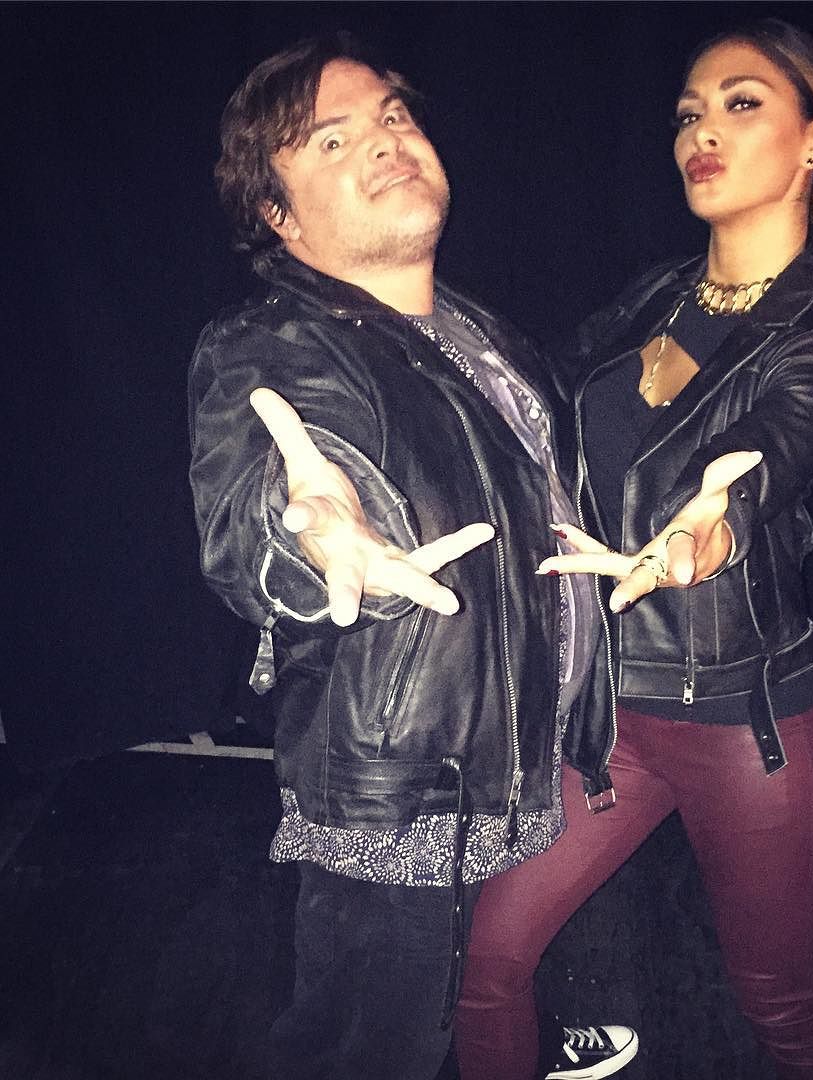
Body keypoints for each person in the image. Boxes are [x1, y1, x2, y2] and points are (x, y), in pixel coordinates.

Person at [187, 32, 638, 1080]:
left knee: (472, 981)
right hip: (405, 790)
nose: (385, 141)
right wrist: (313, 530)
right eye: (331, 138)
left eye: (392, 115)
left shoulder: (483, 336)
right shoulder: (272, 344)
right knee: (364, 1048)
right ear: (278, 212)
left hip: (511, 757)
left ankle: (519, 1038)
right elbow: (260, 511)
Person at [455, 18, 813, 1080]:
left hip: (747, 729)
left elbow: (768, 458)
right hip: (614, 713)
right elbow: (529, 399)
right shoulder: (658, 296)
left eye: (742, 103)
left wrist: (703, 532)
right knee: (487, 961)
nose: (703, 131)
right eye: (690, 113)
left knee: (783, 1007)